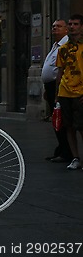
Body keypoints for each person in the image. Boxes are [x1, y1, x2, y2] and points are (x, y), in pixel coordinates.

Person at [55, 14, 83, 170]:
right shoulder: (63, 49)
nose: (72, 27)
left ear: (81, 27)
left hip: (80, 92)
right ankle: (75, 157)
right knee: (69, 127)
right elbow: (60, 71)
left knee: (81, 127)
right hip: (65, 92)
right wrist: (56, 96)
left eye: (76, 24)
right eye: (70, 24)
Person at [41, 19, 71, 162]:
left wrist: (57, 91)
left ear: (66, 29)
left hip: (60, 86)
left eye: (59, 26)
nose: (55, 29)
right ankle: (61, 149)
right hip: (51, 87)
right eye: (53, 26)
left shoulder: (66, 45)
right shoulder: (55, 45)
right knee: (56, 120)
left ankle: (66, 152)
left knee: (61, 120)